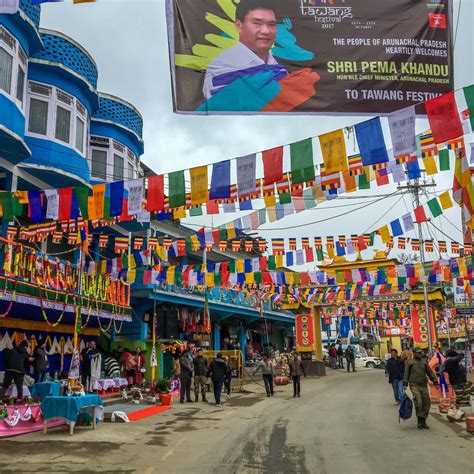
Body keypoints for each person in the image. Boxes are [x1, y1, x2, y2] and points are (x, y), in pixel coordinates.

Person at [203, 0, 287, 100]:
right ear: (239, 26)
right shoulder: (222, 65)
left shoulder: (280, 69)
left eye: (271, 24)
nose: (266, 31)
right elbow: (227, 108)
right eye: (257, 23)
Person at [404, 347, 439, 430]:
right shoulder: (410, 362)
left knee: (427, 402)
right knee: (419, 402)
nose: (420, 354)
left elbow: (430, 372)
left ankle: (424, 421)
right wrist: (405, 384)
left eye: (421, 352)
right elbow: (406, 374)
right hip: (414, 385)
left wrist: (435, 382)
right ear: (414, 353)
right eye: (418, 353)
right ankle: (419, 421)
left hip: (423, 385)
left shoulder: (424, 362)